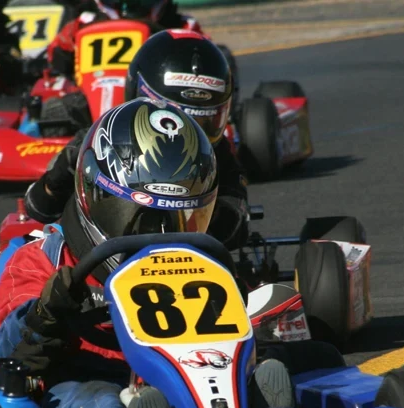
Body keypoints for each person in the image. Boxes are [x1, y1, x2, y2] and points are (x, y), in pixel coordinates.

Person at [0, 98, 292, 408]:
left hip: (193, 371)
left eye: (181, 216)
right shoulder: (44, 260)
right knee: (96, 403)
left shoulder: (201, 261)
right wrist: (45, 313)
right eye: (144, 219)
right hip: (92, 375)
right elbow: (9, 353)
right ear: (95, 194)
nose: (163, 234)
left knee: (302, 359)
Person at [25, 29, 249, 250]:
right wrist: (57, 178)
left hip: (185, 262)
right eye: (176, 119)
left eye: (206, 120)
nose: (191, 132)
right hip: (99, 263)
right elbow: (37, 208)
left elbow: (235, 233)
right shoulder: (99, 141)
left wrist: (202, 204)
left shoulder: (217, 157)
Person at [47, 1, 202, 79]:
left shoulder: (182, 26)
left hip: (159, 100)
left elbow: (209, 62)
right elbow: (55, 55)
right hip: (89, 102)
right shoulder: (83, 24)